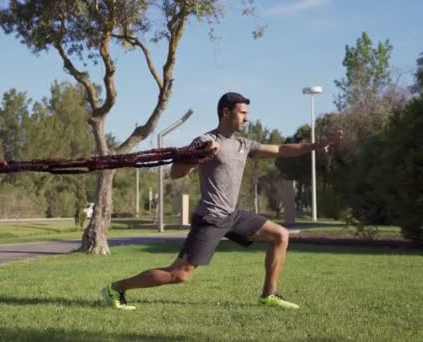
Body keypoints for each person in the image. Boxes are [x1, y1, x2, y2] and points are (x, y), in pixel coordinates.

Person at [102, 92, 344, 310]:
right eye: (242, 113)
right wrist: (200, 157)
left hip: (233, 215)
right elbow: (176, 172)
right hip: (210, 218)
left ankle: (269, 295)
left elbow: (281, 149)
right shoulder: (205, 140)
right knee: (179, 274)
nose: (246, 118)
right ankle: (116, 288)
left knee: (280, 235)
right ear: (226, 113)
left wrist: (318, 145)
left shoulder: (243, 144)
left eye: (247, 113)